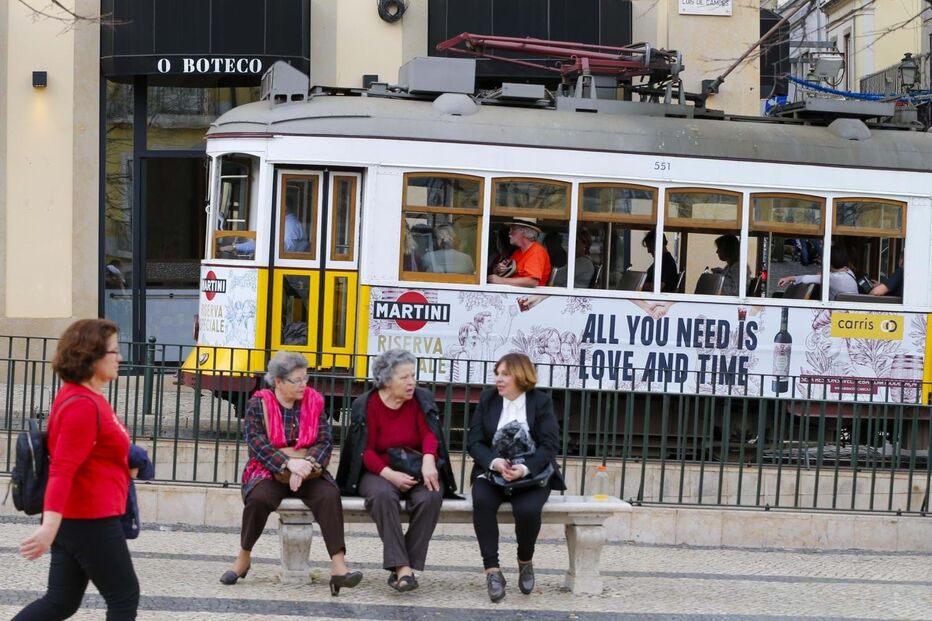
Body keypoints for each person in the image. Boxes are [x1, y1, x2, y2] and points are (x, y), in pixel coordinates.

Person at [13, 319, 140, 620]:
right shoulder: (81, 404)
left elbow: (94, 457)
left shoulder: (87, 397)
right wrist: (48, 529)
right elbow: (62, 470)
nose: (119, 357)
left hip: (79, 517)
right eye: (114, 351)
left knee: (61, 602)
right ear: (91, 356)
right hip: (88, 518)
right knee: (124, 597)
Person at [220, 351, 362, 595]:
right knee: (259, 498)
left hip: (309, 470)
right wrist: (287, 464)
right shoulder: (259, 403)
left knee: (329, 495)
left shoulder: (314, 402)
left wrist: (307, 464)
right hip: (269, 470)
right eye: (296, 380)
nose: (303, 385)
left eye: (305, 379)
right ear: (278, 381)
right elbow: (256, 443)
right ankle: (244, 557)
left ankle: (338, 566)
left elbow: (325, 441)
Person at [336, 349, 459, 592]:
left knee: (431, 495)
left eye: (413, 376)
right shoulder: (367, 404)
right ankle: (404, 569)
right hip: (378, 471)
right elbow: (366, 450)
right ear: (386, 380)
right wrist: (389, 474)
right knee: (382, 496)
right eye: (404, 377)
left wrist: (428, 460)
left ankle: (402, 567)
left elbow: (429, 434)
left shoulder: (421, 399)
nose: (411, 382)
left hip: (416, 464)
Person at [467, 353, 566, 603]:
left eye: (505, 374)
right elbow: (474, 442)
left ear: (521, 376)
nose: (498, 379)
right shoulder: (488, 399)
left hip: (531, 476)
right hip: (492, 473)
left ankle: (525, 559)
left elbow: (550, 444)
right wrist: (495, 462)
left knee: (528, 510)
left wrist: (524, 469)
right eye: (497, 374)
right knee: (482, 501)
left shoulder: (540, 402)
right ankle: (492, 571)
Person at [221, 199, 310, 255]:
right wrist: (235, 247)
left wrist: (262, 244)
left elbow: (286, 248)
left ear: (284, 208)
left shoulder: (290, 224)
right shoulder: (284, 222)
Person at [777, 242, 858, 300]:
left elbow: (806, 279)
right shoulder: (849, 272)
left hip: (837, 316)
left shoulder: (832, 278)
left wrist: (789, 278)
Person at [488, 218, 552, 287]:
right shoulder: (518, 252)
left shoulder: (537, 251)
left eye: (513, 229)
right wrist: (499, 269)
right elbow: (507, 271)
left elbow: (532, 282)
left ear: (525, 232)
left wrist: (501, 280)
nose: (509, 233)